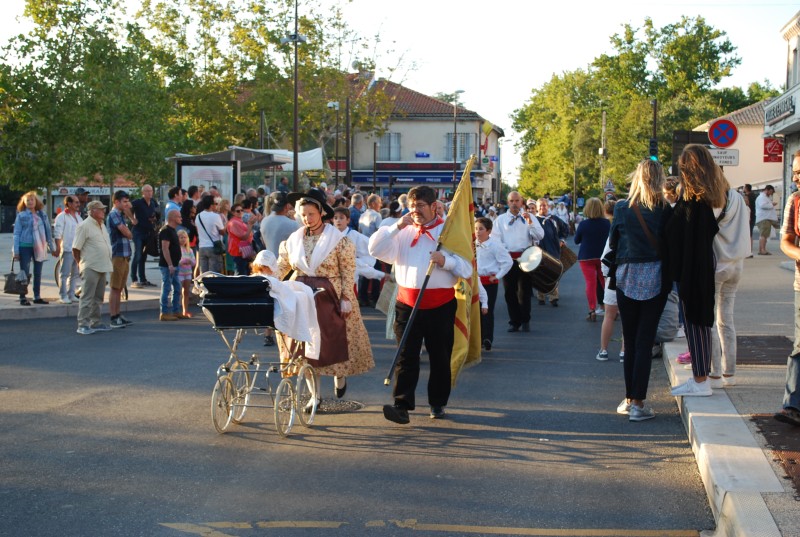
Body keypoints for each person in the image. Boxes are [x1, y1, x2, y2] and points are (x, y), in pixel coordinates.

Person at [369, 185, 473, 423]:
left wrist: (445, 260)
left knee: (439, 356)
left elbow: (467, 268)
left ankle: (437, 403)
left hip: (440, 305)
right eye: (412, 206)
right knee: (406, 356)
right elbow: (374, 249)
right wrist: (396, 226)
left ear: (434, 206)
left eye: (420, 206)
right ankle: (402, 405)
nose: (415, 211)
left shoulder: (448, 232)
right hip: (407, 304)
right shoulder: (401, 230)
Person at [277, 189, 374, 402]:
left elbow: (348, 271)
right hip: (301, 296)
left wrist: (346, 298)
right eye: (303, 214)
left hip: (329, 296)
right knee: (304, 348)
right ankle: (315, 396)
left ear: (321, 213)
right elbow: (283, 265)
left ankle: (340, 376)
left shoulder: (339, 240)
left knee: (333, 344)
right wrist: (268, 280)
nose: (306, 218)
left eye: (311, 214)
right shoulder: (294, 239)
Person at [608, 159, 670, 421]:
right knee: (645, 342)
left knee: (629, 341)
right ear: (660, 180)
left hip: (627, 275)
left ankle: (629, 397)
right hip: (656, 276)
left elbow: (614, 241)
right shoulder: (666, 209)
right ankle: (639, 404)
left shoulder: (622, 208)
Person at [664, 144, 726, 397]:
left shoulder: (692, 201)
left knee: (695, 320)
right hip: (702, 261)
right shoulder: (709, 196)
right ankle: (700, 377)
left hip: (694, 264)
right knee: (700, 319)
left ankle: (701, 380)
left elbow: (674, 232)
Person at [707, 175, 751, 389]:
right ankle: (729, 372)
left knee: (711, 321)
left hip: (718, 262)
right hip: (737, 263)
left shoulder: (714, 200)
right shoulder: (739, 198)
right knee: (727, 319)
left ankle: (715, 373)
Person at [490, 191, 544, 333]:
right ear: (508, 203)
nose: (514, 203)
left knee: (524, 291)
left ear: (522, 202)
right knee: (509, 292)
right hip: (508, 260)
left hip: (525, 259)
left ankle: (525, 320)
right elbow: (495, 240)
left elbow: (540, 235)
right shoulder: (500, 220)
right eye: (511, 201)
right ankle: (515, 321)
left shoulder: (530, 217)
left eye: (517, 201)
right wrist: (503, 254)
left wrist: (530, 223)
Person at [776, 149, 800, 427]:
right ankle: (792, 405)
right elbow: (785, 241)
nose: (795, 177)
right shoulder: (794, 201)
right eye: (794, 171)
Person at [72, 200, 113, 334]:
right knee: (87, 296)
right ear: (92, 211)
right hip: (90, 266)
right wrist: (80, 264)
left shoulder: (102, 225)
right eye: (100, 209)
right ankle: (82, 324)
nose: (103, 211)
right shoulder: (84, 226)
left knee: (98, 297)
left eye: (103, 209)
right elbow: (76, 248)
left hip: (102, 265)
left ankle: (95, 322)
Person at [12, 191, 59, 305]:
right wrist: (16, 251)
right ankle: (23, 296)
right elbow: (17, 233)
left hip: (40, 246)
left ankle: (37, 296)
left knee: (38, 272)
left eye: (32, 199)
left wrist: (52, 247)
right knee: (25, 272)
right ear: (24, 202)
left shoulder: (42, 215)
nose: (30, 202)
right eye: (27, 200)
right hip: (25, 246)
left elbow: (48, 232)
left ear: (36, 201)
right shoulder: (21, 215)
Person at [475, 216, 513, 351]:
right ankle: (477, 338)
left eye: (481, 229)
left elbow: (508, 262)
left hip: (489, 282)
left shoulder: (495, 245)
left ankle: (487, 338)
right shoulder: (472, 244)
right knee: (475, 311)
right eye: (476, 229)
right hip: (475, 282)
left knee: (487, 310)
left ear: (489, 231)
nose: (478, 232)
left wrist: (497, 275)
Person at [574, 197, 611, 321]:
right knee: (604, 281)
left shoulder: (583, 224)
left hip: (586, 256)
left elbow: (576, 240)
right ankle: (610, 308)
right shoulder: (606, 223)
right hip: (602, 257)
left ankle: (592, 310)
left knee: (590, 283)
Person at [107, 191, 135, 328]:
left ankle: (118, 314)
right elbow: (126, 232)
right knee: (115, 287)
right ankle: (113, 316)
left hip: (124, 254)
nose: (126, 204)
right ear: (116, 202)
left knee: (119, 288)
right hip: (117, 255)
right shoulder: (113, 215)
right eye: (124, 201)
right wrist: (130, 233)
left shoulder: (121, 214)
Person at [535, 197, 569, 307]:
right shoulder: (534, 220)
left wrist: (562, 240)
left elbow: (565, 228)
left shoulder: (554, 219)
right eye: (540, 205)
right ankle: (541, 296)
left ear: (548, 206)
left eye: (544, 205)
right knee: (540, 274)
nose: (542, 207)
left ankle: (553, 297)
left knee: (554, 274)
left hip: (554, 250)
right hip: (539, 251)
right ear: (537, 207)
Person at [53, 195, 82, 303]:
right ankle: (63, 295)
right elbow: (57, 233)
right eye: (76, 202)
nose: (78, 204)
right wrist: (57, 247)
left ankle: (71, 294)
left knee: (74, 274)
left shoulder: (79, 217)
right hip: (67, 249)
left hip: (77, 249)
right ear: (69, 204)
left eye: (78, 202)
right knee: (64, 274)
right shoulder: (62, 217)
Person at [158, 209, 186, 321]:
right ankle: (164, 312)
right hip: (167, 265)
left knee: (177, 288)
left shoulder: (173, 230)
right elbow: (165, 248)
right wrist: (170, 265)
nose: (181, 218)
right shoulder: (165, 231)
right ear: (173, 217)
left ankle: (176, 311)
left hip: (175, 264)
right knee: (166, 287)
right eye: (179, 216)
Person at [130, 184, 158, 288]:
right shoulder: (138, 202)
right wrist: (132, 219)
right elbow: (127, 207)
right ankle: (134, 279)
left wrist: (154, 219)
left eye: (150, 191)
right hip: (138, 232)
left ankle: (143, 279)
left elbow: (156, 213)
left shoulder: (153, 202)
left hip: (149, 232)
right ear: (143, 192)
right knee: (137, 255)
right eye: (147, 191)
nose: (149, 193)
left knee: (143, 256)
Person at [358, 194, 383, 307]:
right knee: (377, 271)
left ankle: (363, 297)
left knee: (365, 272)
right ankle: (375, 296)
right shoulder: (377, 215)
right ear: (373, 203)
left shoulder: (362, 215)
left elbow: (359, 230)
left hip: (363, 246)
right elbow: (379, 232)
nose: (380, 205)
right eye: (379, 202)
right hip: (374, 246)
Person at [250, 249, 278, 346]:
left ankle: (268, 336)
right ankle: (268, 335)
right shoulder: (273, 280)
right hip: (268, 308)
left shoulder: (252, 278)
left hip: (254, 307)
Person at [196, 196, 226, 273]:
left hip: (202, 247)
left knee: (204, 273)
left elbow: (198, 230)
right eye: (215, 204)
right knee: (214, 273)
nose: (216, 205)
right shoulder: (215, 216)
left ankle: (204, 285)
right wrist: (226, 224)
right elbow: (222, 232)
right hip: (213, 247)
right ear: (211, 205)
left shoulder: (198, 216)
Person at [226, 202, 255, 275]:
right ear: (233, 212)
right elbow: (244, 237)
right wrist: (250, 226)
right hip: (238, 251)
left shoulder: (240, 220)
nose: (240, 212)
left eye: (242, 210)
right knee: (240, 273)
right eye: (238, 211)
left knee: (245, 272)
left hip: (243, 251)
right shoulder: (234, 222)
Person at [176, 229, 196, 318]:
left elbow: (194, 262)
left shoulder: (189, 250)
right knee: (178, 292)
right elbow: (176, 261)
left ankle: (185, 311)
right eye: (181, 237)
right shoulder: (176, 249)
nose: (183, 239)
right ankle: (176, 310)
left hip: (188, 273)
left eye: (185, 237)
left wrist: (189, 261)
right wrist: (182, 261)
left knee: (186, 292)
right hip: (179, 273)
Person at [755, 185, 779, 255]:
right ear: (767, 190)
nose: (771, 194)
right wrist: (771, 204)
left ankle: (762, 249)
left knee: (764, 235)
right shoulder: (762, 197)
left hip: (765, 218)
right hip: (764, 218)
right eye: (771, 192)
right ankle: (762, 249)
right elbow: (763, 205)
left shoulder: (764, 197)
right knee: (764, 235)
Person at [743, 183, 757, 257]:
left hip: (749, 217)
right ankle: (749, 250)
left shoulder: (748, 196)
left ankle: (748, 251)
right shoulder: (753, 195)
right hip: (752, 216)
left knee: (748, 234)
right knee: (749, 234)